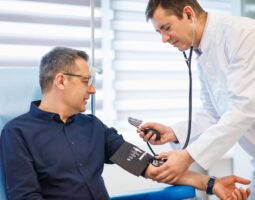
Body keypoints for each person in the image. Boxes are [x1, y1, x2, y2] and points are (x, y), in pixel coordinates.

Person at [0, 47, 251, 200]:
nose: (92, 89)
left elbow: (149, 166)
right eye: (85, 81)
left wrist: (212, 184)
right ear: (61, 80)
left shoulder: (92, 127)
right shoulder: (18, 134)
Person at [137, 0, 255, 197]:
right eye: (159, 32)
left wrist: (187, 156)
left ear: (189, 14)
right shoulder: (202, 49)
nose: (164, 39)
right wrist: (173, 132)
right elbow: (213, 112)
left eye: (166, 28)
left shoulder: (243, 35)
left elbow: (242, 110)